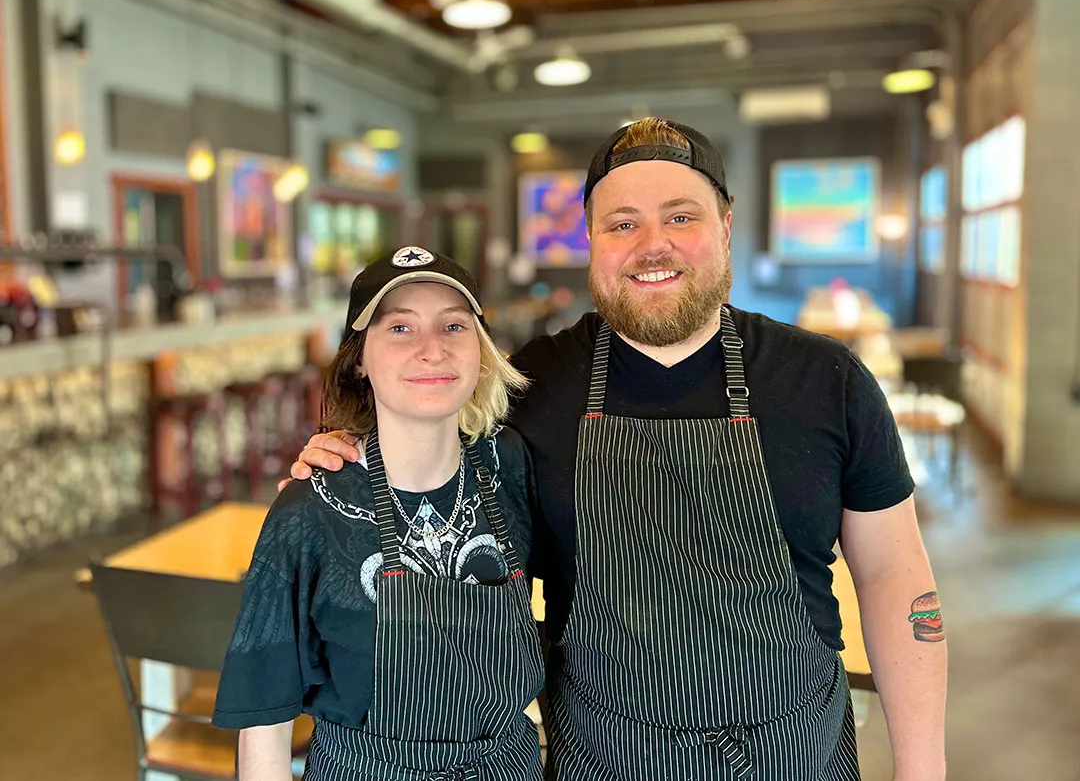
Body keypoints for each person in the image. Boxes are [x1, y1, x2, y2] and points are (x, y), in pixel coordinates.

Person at [287, 118, 948, 780]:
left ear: (725, 224)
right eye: (622, 224)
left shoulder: (826, 381)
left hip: (793, 752)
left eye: (680, 217)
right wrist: (349, 453)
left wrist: (923, 772)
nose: (651, 246)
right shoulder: (528, 387)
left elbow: (895, 578)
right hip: (604, 756)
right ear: (592, 240)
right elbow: (422, 470)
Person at [213, 248, 544, 781]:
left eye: (453, 326)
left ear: (481, 352)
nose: (431, 350)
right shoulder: (307, 511)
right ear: (360, 359)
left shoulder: (509, 464)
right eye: (400, 329)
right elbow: (265, 718)